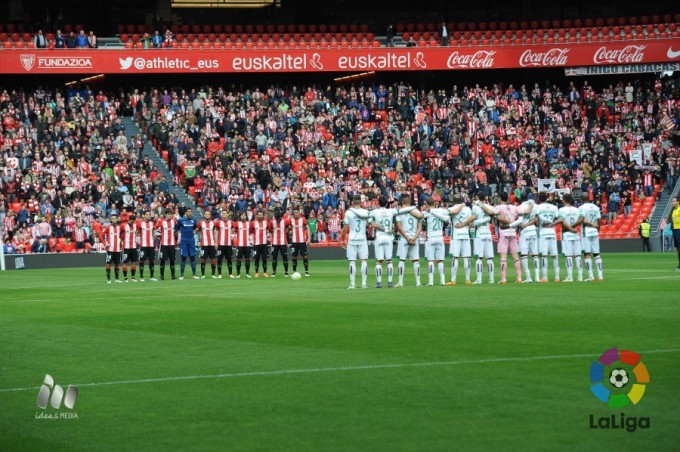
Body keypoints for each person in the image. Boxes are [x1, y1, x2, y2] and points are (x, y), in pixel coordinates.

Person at [409, 197, 448, 286]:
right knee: (440, 261)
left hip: (430, 238)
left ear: (426, 204)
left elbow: (418, 216)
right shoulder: (441, 211)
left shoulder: (426, 213)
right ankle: (442, 281)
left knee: (430, 261)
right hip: (439, 238)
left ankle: (431, 282)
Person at [342, 196, 378, 289]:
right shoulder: (365, 212)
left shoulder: (349, 212)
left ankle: (352, 284)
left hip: (352, 239)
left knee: (352, 262)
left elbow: (345, 228)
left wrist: (343, 239)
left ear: (353, 202)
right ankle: (364, 284)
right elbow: (371, 224)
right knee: (364, 261)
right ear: (361, 203)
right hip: (362, 239)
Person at [445, 195, 475, 285]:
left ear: (454, 201)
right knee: (466, 257)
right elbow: (471, 223)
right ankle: (468, 279)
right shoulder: (468, 209)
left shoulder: (451, 208)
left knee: (455, 258)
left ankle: (453, 280)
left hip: (456, 236)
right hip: (466, 234)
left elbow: (454, 211)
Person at [368, 197, 398, 288]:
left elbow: (372, 224)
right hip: (389, 237)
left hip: (380, 236)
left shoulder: (374, 212)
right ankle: (389, 282)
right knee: (389, 260)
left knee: (379, 261)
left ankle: (379, 283)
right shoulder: (391, 211)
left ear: (378, 203)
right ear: (386, 204)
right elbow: (402, 210)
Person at [574, 193, 604, 281]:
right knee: (596, 254)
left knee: (587, 254)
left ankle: (590, 276)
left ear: (581, 199)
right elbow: (599, 220)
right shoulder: (595, 207)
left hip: (586, 231)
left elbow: (581, 219)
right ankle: (600, 276)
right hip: (595, 231)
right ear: (589, 198)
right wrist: (597, 230)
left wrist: (572, 226)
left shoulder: (582, 208)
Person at [394, 195, 422, 287]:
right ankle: (418, 282)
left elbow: (399, 226)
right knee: (415, 261)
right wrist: (415, 237)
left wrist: (406, 238)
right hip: (414, 237)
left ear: (402, 202)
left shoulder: (399, 212)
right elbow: (420, 227)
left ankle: (400, 282)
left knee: (402, 260)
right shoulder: (417, 211)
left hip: (404, 238)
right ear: (410, 202)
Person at [511, 193, 539, 283]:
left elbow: (520, 220)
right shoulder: (534, 206)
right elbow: (536, 218)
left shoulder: (519, 207)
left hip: (524, 232)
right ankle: (537, 277)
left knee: (524, 255)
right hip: (533, 231)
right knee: (535, 255)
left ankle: (528, 277)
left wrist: (510, 225)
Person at [495, 192, 522, 284]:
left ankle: (503, 279)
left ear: (500, 199)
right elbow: (521, 214)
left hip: (503, 232)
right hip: (513, 232)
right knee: (515, 256)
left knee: (503, 257)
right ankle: (519, 278)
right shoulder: (514, 207)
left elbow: (496, 216)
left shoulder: (498, 207)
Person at [535, 192, 560, 282]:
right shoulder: (554, 207)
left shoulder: (537, 207)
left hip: (543, 232)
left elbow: (536, 219)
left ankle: (545, 277)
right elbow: (559, 219)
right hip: (552, 232)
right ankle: (557, 277)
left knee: (544, 256)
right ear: (547, 198)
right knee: (555, 255)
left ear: (538, 199)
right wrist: (552, 223)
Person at [471, 192, 496, 284]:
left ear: (477, 197)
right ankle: (491, 279)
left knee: (479, 258)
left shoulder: (475, 207)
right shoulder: (489, 206)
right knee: (489, 258)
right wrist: (487, 219)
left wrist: (475, 223)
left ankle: (479, 279)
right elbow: (493, 214)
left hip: (479, 233)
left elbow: (473, 221)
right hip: (488, 233)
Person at [558, 194, 583, 282]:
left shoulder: (561, 210)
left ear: (564, 200)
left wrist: (570, 228)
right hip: (576, 234)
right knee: (577, 255)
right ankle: (580, 276)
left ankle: (570, 276)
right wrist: (574, 228)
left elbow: (562, 221)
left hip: (567, 234)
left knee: (568, 256)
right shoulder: (577, 209)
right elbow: (580, 220)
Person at [175, 207, 199, 279]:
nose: (189, 213)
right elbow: (176, 229)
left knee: (192, 257)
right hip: (184, 242)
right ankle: (182, 275)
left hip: (191, 241)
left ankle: (194, 275)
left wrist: (195, 232)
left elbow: (196, 227)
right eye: (188, 211)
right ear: (185, 212)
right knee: (183, 258)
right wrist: (178, 237)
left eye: (190, 211)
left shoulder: (193, 220)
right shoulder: (180, 220)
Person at [290, 207, 310, 276]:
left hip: (302, 241)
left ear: (299, 213)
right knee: (294, 257)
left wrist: (309, 238)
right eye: (294, 212)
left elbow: (308, 228)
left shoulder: (303, 219)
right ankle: (294, 272)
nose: (295, 213)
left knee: (305, 256)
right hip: (294, 241)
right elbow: (287, 227)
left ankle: (306, 272)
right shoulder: (291, 220)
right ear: (293, 213)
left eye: (297, 212)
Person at [158, 210, 177, 280]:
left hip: (172, 244)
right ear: (165, 214)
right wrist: (159, 236)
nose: (169, 216)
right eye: (168, 214)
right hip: (164, 244)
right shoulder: (161, 221)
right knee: (162, 260)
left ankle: (173, 275)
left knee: (172, 260)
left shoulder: (174, 221)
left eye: (171, 214)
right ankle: (162, 276)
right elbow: (156, 229)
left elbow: (176, 230)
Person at [103, 215, 123, 283]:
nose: (114, 220)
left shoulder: (119, 228)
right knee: (108, 264)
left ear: (117, 219)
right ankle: (108, 279)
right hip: (110, 249)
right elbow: (100, 235)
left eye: (115, 218)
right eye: (112, 218)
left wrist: (121, 244)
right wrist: (105, 243)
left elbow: (122, 236)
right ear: (111, 220)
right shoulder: (108, 227)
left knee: (117, 264)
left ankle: (117, 279)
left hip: (117, 249)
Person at [198, 210, 218, 278]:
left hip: (212, 244)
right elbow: (197, 231)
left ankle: (213, 274)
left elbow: (215, 233)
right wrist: (199, 241)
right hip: (204, 244)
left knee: (213, 259)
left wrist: (216, 242)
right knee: (203, 259)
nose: (207, 215)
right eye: (206, 214)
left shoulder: (214, 223)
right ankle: (203, 275)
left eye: (208, 214)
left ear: (210, 215)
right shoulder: (200, 223)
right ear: (204, 215)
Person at [138, 210, 157, 281]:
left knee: (152, 261)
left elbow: (154, 232)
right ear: (144, 215)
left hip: (151, 245)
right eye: (147, 214)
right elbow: (136, 231)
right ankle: (141, 277)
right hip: (143, 245)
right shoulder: (140, 223)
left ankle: (152, 277)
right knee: (142, 260)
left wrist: (158, 236)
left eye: (149, 214)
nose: (148, 215)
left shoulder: (152, 223)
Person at [216, 210, 234, 278]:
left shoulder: (231, 222)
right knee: (219, 259)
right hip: (221, 244)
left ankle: (230, 274)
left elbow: (234, 229)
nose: (224, 215)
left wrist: (232, 233)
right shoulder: (218, 222)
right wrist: (216, 242)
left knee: (229, 259)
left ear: (227, 215)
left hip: (229, 244)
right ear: (221, 215)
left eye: (225, 213)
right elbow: (216, 231)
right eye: (223, 213)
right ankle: (219, 274)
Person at [251, 210, 269, 277]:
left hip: (264, 244)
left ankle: (265, 272)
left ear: (263, 215)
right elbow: (251, 231)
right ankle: (256, 272)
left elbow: (269, 229)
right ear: (257, 216)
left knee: (264, 258)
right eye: (259, 215)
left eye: (261, 215)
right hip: (256, 244)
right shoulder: (253, 223)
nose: (260, 216)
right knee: (256, 258)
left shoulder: (266, 222)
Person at [122, 214, 139, 282]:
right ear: (129, 220)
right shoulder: (123, 225)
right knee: (125, 263)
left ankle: (133, 278)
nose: (132, 223)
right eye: (131, 221)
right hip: (126, 247)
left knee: (133, 262)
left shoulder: (135, 225)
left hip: (134, 247)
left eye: (133, 221)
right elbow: (119, 233)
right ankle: (125, 278)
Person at [235, 211, 252, 278]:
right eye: (242, 215)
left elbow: (251, 230)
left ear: (246, 216)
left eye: (244, 215)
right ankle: (238, 274)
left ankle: (247, 273)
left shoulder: (249, 223)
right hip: (240, 245)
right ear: (240, 216)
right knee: (239, 259)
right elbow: (234, 230)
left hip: (247, 245)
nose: (243, 216)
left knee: (247, 259)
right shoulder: (237, 223)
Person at [669, 197, 680, 270]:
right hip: (675, 230)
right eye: (672, 201)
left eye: (674, 201)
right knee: (678, 249)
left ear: (678, 202)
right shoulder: (674, 211)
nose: (672, 203)